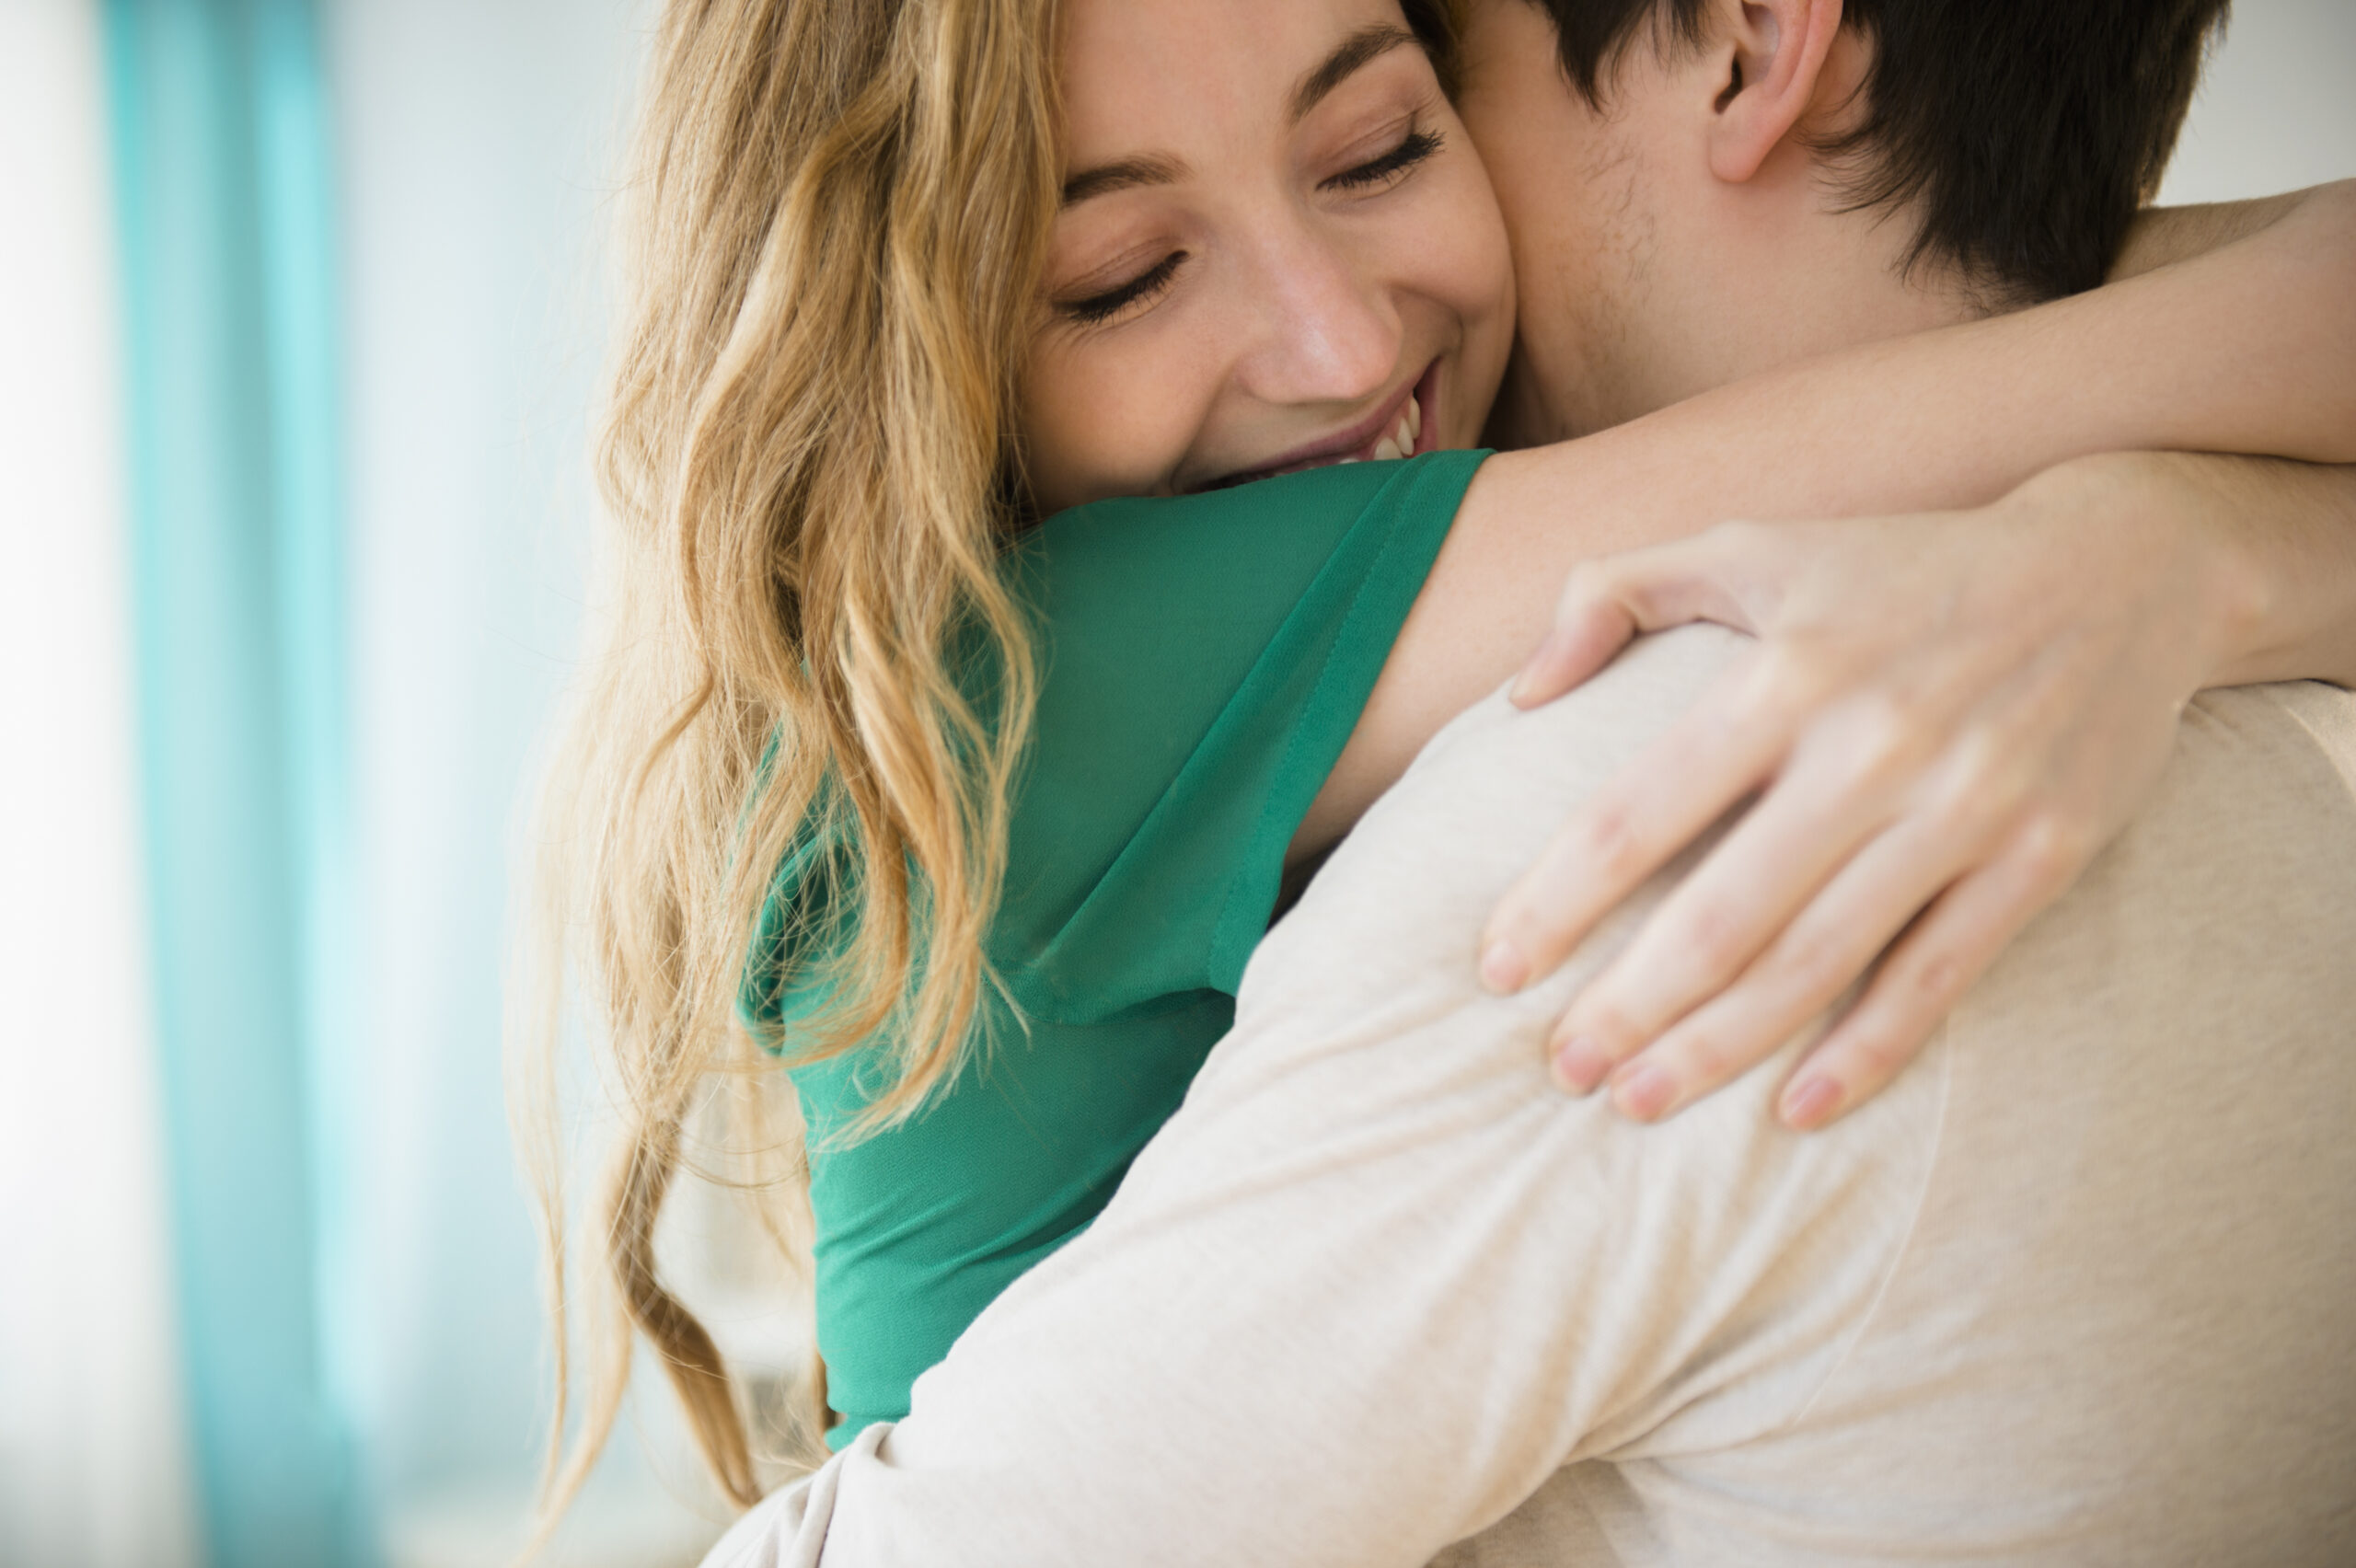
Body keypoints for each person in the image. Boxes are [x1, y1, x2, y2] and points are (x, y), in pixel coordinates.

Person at [521, 0, 2356, 1532]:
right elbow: (2227, 331)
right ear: (922, 371)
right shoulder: (1034, 674)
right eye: (1126, 270)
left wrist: (2188, 557)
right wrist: (2159, 536)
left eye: (1386, 148)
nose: (1338, 344)